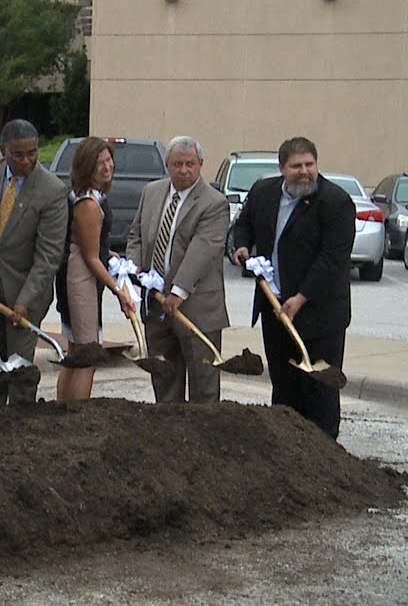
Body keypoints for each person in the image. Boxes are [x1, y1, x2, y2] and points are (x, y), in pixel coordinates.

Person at [230, 137, 353, 439]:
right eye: (296, 166)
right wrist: (240, 246)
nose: (304, 172)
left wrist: (300, 298)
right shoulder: (263, 192)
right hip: (275, 308)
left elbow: (332, 260)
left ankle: (324, 452)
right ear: (282, 168)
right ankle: (285, 448)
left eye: (309, 165)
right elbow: (242, 225)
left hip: (319, 314)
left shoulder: (335, 202)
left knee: (319, 388)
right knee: (284, 385)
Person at [0, 119, 67, 409]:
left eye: (33, 153)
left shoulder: (52, 190)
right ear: (3, 151)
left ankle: (21, 427)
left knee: (19, 368)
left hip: (26, 291)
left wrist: (25, 301)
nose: (27, 160)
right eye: (19, 154)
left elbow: (48, 256)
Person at [125, 136, 230, 404]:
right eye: (177, 164)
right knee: (164, 378)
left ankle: (203, 440)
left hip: (196, 309)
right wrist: (134, 267)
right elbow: (136, 235)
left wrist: (178, 291)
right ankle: (169, 437)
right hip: (156, 306)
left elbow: (202, 251)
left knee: (204, 385)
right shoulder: (152, 192)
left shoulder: (214, 203)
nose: (184, 170)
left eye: (190, 164)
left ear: (201, 164)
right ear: (167, 164)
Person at [60, 136, 135, 401]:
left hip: (79, 268)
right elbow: (90, 258)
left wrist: (110, 254)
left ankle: (63, 411)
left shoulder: (87, 195)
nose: (107, 166)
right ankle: (76, 416)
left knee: (75, 352)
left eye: (108, 160)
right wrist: (119, 292)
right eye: (99, 162)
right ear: (85, 166)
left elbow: (93, 246)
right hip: (81, 277)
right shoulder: (89, 204)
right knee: (88, 354)